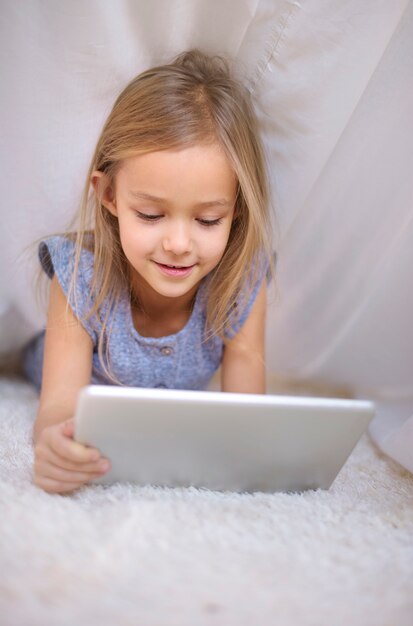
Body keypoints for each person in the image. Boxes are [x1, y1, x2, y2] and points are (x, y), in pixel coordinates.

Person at [23, 49, 274, 494]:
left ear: (236, 211)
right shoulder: (79, 272)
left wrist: (247, 454)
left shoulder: (242, 280)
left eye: (207, 220)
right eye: (152, 215)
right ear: (109, 196)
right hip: (43, 359)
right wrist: (55, 443)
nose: (178, 244)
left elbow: (246, 405)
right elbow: (60, 403)